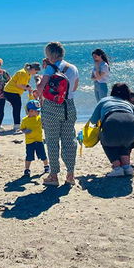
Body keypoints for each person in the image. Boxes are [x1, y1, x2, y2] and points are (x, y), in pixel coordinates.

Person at [36, 42, 80, 186]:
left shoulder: (50, 68)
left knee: (52, 141)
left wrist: (38, 80)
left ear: (51, 54)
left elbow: (40, 90)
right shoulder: (72, 68)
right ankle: (70, 175)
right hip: (69, 106)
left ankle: (54, 175)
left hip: (52, 107)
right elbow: (74, 87)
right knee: (69, 140)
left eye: (47, 54)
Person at [88, 82, 134, 177]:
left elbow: (93, 120)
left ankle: (117, 168)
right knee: (125, 140)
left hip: (112, 122)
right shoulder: (128, 103)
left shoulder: (104, 100)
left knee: (106, 139)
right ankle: (127, 166)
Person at [3, 62, 40, 132]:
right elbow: (19, 85)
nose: (36, 73)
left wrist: (27, 86)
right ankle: (17, 126)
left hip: (13, 92)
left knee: (16, 107)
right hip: (10, 91)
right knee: (17, 108)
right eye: (36, 71)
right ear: (33, 69)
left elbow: (22, 84)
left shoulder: (27, 73)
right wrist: (27, 88)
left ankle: (17, 125)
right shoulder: (23, 73)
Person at [20, 99, 49, 176]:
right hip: (29, 142)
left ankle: (46, 166)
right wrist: (25, 131)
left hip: (39, 140)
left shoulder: (39, 118)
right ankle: (27, 169)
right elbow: (22, 129)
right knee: (29, 156)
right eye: (37, 111)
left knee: (43, 155)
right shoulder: (24, 120)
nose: (38, 112)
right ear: (31, 111)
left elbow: (43, 124)